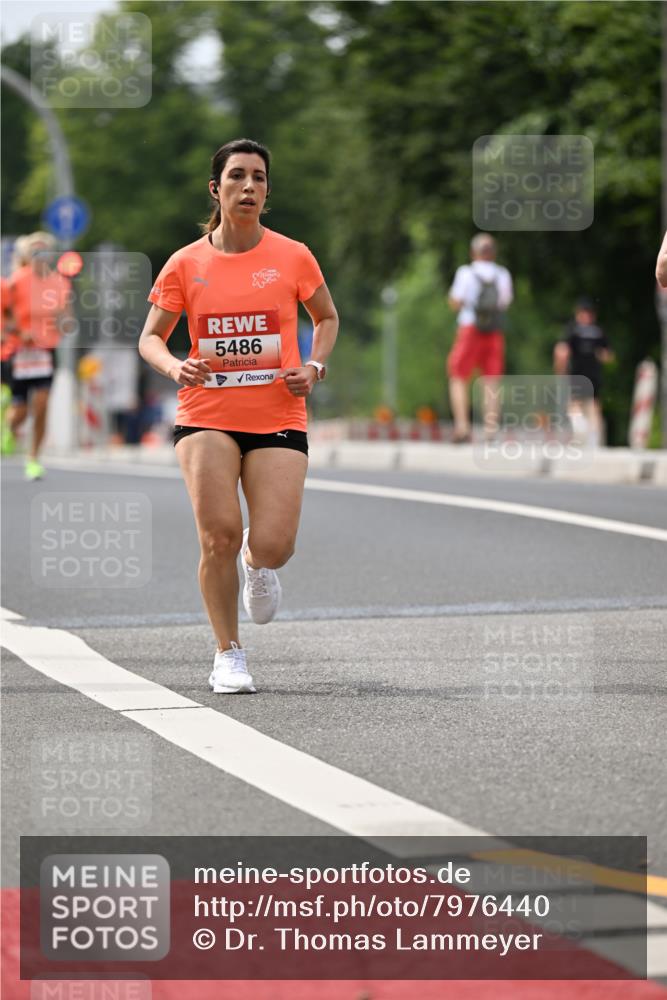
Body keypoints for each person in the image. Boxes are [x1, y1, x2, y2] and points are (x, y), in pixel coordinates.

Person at [138, 138, 338, 694]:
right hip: (206, 413)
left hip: (278, 412)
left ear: (267, 191)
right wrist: (176, 367)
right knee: (217, 535)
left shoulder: (293, 255)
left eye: (258, 178)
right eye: (237, 177)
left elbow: (326, 317)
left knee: (274, 543)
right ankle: (228, 653)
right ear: (216, 188)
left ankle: (259, 562)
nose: (248, 186)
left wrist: (316, 367)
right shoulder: (186, 263)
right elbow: (151, 337)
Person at [7, 232, 72, 479]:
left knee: (42, 404)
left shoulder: (59, 282)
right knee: (21, 409)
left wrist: (64, 321)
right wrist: (18, 331)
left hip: (45, 350)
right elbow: (5, 316)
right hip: (19, 351)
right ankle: (10, 427)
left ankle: (33, 458)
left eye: (45, 251)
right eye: (35, 252)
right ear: (26, 256)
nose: (41, 257)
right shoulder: (16, 280)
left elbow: (67, 317)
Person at [446, 233, 513, 442]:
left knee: (458, 376)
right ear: (493, 253)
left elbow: (455, 301)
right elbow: (505, 302)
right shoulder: (502, 274)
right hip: (493, 330)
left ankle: (463, 426)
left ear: (473, 252)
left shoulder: (466, 272)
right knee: (491, 379)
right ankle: (491, 429)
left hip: (469, 328)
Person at [553, 297, 614, 447]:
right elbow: (608, 356)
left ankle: (581, 434)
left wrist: (560, 371)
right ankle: (594, 441)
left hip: (577, 374)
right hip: (594, 374)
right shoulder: (598, 331)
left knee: (574, 405)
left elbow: (561, 352)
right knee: (593, 407)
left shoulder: (573, 330)